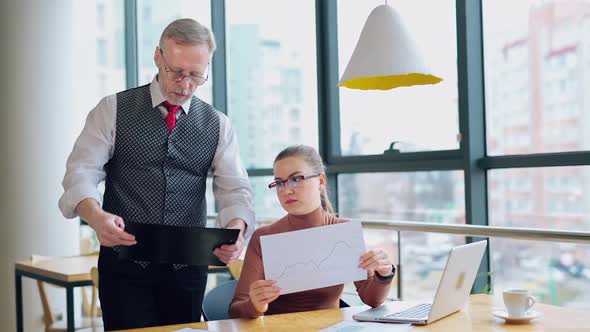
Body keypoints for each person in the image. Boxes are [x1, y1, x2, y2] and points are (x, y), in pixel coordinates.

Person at [58, 18, 255, 330]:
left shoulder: (218, 125)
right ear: (157, 57)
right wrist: (96, 217)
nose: (184, 84)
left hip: (187, 267)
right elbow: (80, 172)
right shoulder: (112, 110)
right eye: (176, 72)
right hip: (124, 264)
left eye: (196, 76)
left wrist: (236, 229)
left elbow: (234, 189)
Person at [229, 145, 395, 319]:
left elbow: (372, 300)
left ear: (321, 182)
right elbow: (235, 310)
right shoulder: (264, 237)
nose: (286, 190)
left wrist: (384, 273)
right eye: (279, 183)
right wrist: (254, 305)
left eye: (297, 179)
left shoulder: (343, 231)